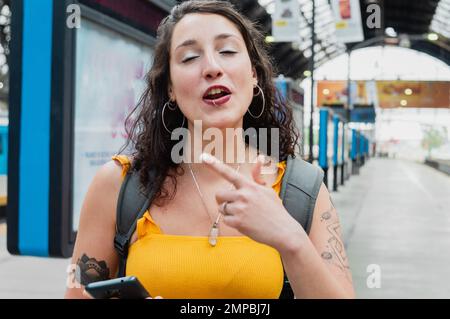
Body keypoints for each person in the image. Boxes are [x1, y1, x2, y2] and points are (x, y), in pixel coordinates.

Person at [65, 0, 355, 299]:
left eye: (227, 51)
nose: (212, 68)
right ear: (170, 89)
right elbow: (77, 293)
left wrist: (291, 239)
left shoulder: (302, 189)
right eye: (189, 57)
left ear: (254, 74)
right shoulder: (119, 184)